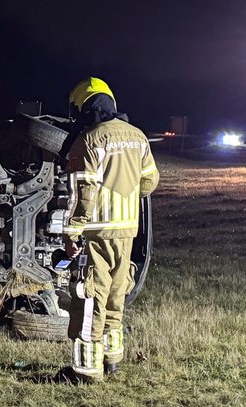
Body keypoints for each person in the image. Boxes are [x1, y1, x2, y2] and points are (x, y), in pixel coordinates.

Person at [56, 77, 159, 383]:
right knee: (115, 296)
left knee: (89, 298)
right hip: (127, 230)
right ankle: (112, 359)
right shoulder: (138, 136)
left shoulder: (89, 140)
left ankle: (85, 371)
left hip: (96, 233)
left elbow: (83, 193)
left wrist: (71, 233)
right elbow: (150, 182)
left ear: (83, 107)